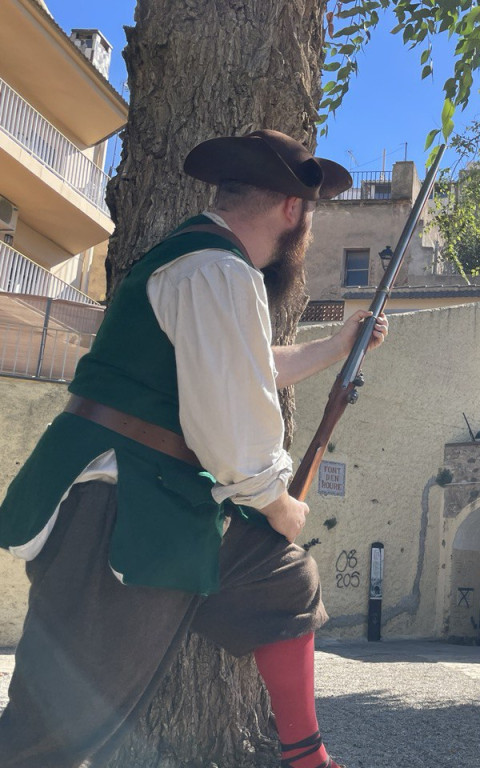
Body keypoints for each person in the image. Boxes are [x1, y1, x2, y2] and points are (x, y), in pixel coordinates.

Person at [0, 130, 387, 768]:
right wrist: (276, 503)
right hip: (118, 506)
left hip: (134, 496)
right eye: (310, 215)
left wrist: (337, 348)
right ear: (294, 210)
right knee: (47, 735)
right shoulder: (220, 270)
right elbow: (230, 426)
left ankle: (307, 757)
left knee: (284, 579)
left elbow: (242, 369)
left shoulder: (202, 262)